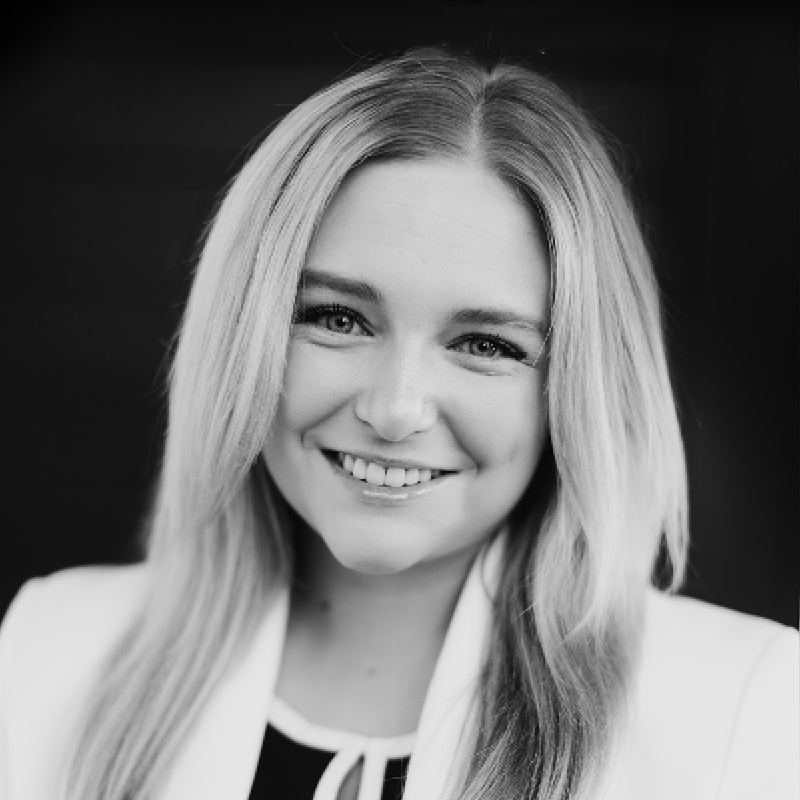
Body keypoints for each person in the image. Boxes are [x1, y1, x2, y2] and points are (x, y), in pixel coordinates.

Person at [0, 47, 796, 800]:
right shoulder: (51, 645)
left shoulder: (746, 704)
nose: (394, 410)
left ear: (581, 389)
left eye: (485, 344)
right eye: (338, 319)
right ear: (242, 332)